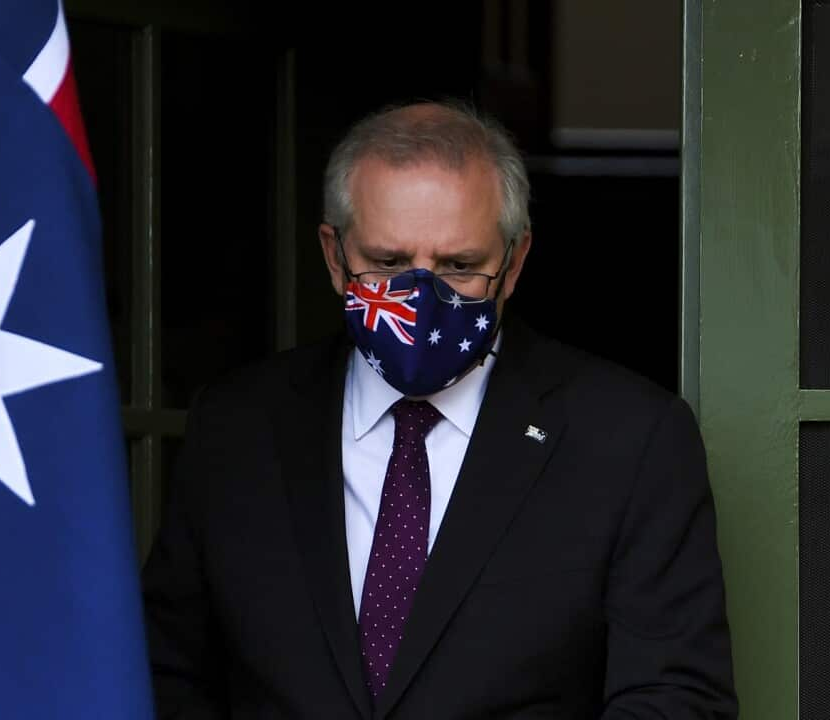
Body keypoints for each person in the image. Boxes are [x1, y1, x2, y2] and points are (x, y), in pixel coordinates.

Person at [142, 101, 737, 719]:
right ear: (333, 254)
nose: (420, 297)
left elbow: (675, 698)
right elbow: (170, 674)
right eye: (389, 263)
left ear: (514, 262)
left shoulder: (629, 439)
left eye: (458, 267)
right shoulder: (237, 428)